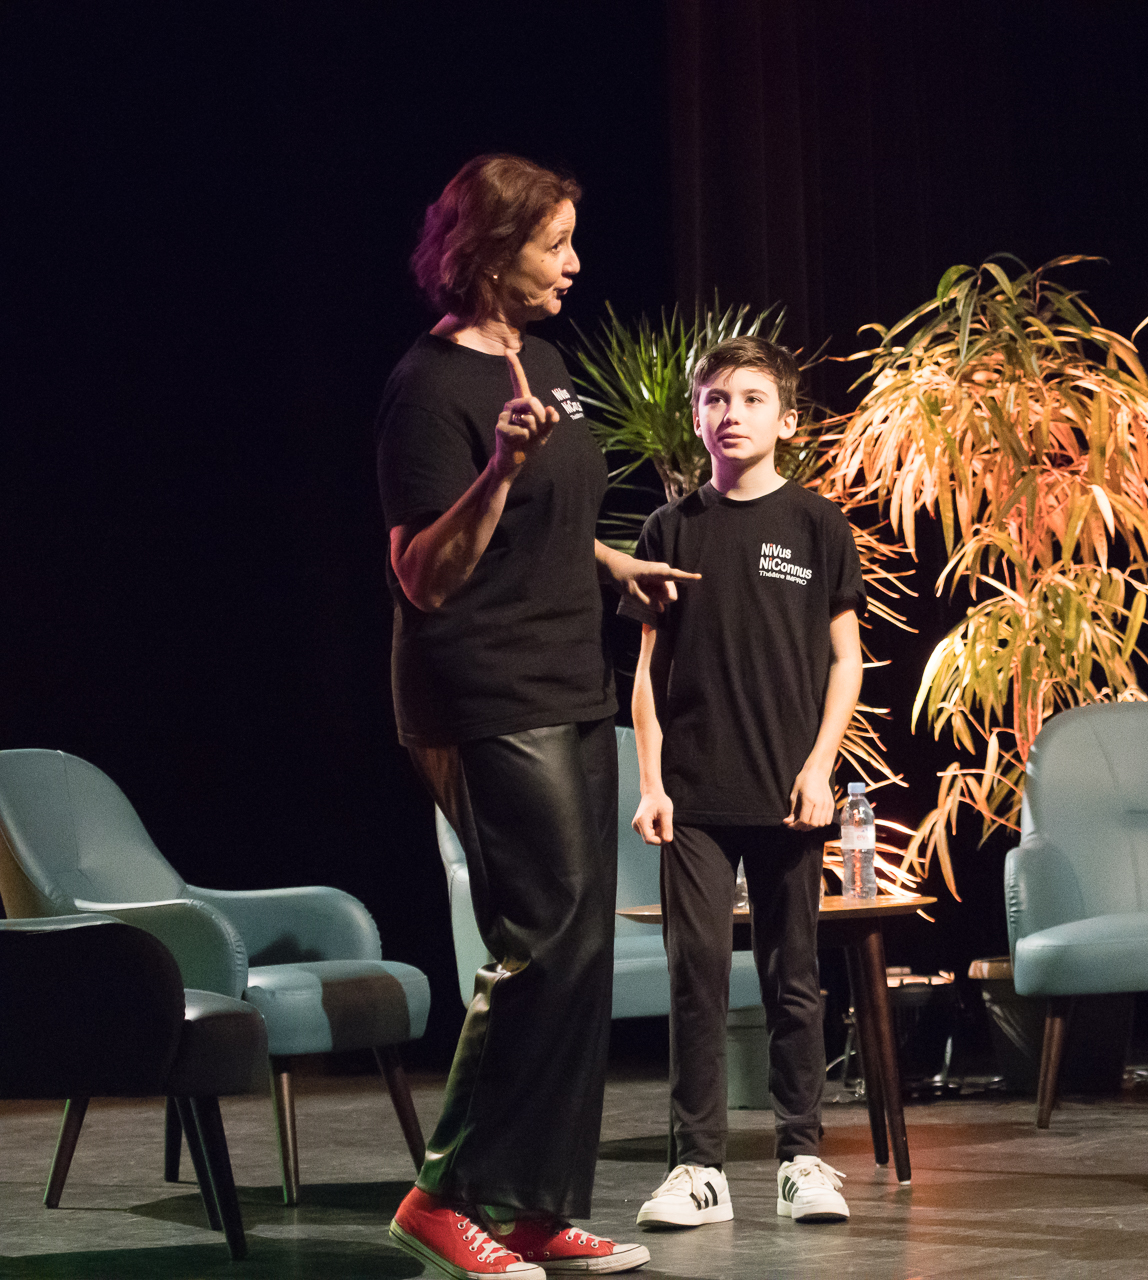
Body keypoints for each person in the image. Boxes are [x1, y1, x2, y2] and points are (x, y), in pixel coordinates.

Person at [377, 153, 689, 1278]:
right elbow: (424, 573)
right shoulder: (426, 388)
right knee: (538, 941)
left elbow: (546, 521)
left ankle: (533, 1207)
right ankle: (442, 1195)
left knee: (581, 946)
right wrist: (500, 467)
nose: (573, 263)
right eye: (553, 244)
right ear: (488, 253)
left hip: (567, 675)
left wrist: (611, 563)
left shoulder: (545, 361)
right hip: (482, 688)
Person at [627, 335, 865, 1229]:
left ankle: (802, 1158)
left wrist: (821, 766)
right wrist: (651, 783)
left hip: (787, 791)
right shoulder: (670, 529)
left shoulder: (816, 525)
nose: (733, 414)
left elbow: (846, 660)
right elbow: (646, 673)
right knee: (695, 977)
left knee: (793, 977)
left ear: (787, 419)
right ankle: (698, 1169)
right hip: (691, 797)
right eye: (717, 399)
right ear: (697, 417)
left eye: (753, 399)